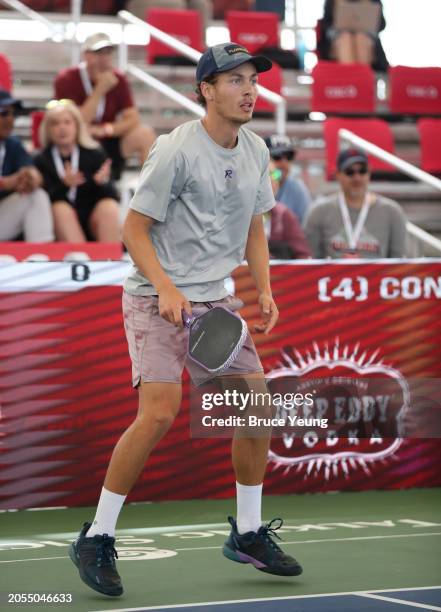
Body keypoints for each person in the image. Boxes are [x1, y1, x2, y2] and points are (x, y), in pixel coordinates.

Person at [68, 41, 303, 598]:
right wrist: (168, 287)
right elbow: (133, 229)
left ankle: (247, 533)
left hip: (215, 303)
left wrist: (263, 288)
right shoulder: (175, 149)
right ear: (206, 90)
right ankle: (96, 537)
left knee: (255, 405)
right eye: (235, 81)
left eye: (252, 80)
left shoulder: (256, 150)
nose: (249, 90)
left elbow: (254, 225)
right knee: (159, 415)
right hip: (155, 298)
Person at [54, 33, 156, 180]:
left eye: (108, 53)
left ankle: (150, 191)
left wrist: (107, 130)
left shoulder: (118, 78)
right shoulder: (67, 78)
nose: (104, 58)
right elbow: (77, 120)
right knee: (72, 131)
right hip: (78, 140)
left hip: (107, 139)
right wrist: (100, 89)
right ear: (86, 55)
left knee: (145, 134)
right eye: (99, 53)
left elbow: (133, 119)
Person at [34, 100, 120, 242]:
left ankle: (110, 259)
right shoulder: (41, 159)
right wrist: (64, 185)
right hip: (60, 224)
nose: (62, 128)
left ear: (77, 126)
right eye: (56, 123)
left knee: (108, 207)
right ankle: (79, 258)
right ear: (48, 129)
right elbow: (42, 202)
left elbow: (114, 196)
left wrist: (103, 182)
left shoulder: (94, 154)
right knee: (60, 208)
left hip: (93, 218)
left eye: (67, 122)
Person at [304, 148, 407, 259]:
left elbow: (398, 262)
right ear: (338, 174)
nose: (357, 177)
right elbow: (311, 261)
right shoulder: (319, 212)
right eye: (350, 172)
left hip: (376, 276)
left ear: (369, 172)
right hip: (334, 276)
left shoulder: (392, 212)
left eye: (362, 171)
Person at [0, 89, 54, 243]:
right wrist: (5, 183)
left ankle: (40, 261)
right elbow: (6, 182)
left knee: (36, 196)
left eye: (13, 114)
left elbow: (31, 171)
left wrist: (30, 178)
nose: (10, 119)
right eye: (4, 113)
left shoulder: (12, 143)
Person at [317, 0, 388, 71]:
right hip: (339, 37)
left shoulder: (374, 1)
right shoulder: (332, 1)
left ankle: (361, 77)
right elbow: (325, 23)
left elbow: (381, 24)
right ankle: (352, 77)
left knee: (360, 38)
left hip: (366, 37)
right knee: (346, 39)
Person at [266, 161, 311, 259]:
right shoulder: (235, 215)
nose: (272, 180)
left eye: (275, 175)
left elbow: (303, 255)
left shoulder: (283, 214)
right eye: (265, 174)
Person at [265, 134, 312, 224]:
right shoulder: (252, 187)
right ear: (262, 158)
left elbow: (306, 228)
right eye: (277, 156)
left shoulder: (298, 189)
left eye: (289, 156)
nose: (284, 162)